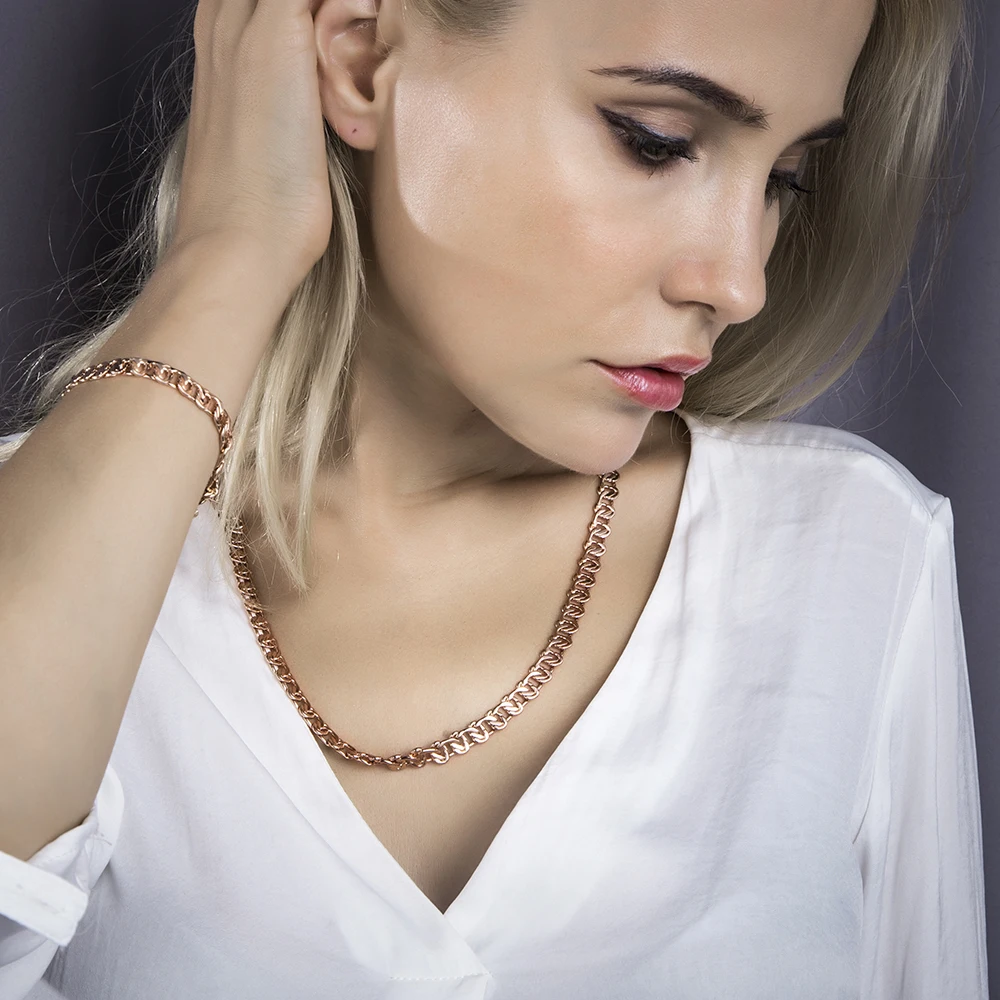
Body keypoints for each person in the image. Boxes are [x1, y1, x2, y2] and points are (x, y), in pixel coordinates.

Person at [0, 0, 987, 996]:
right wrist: (228, 251)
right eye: (655, 142)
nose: (739, 282)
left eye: (784, 180)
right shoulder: (54, 553)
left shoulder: (851, 560)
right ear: (362, 60)